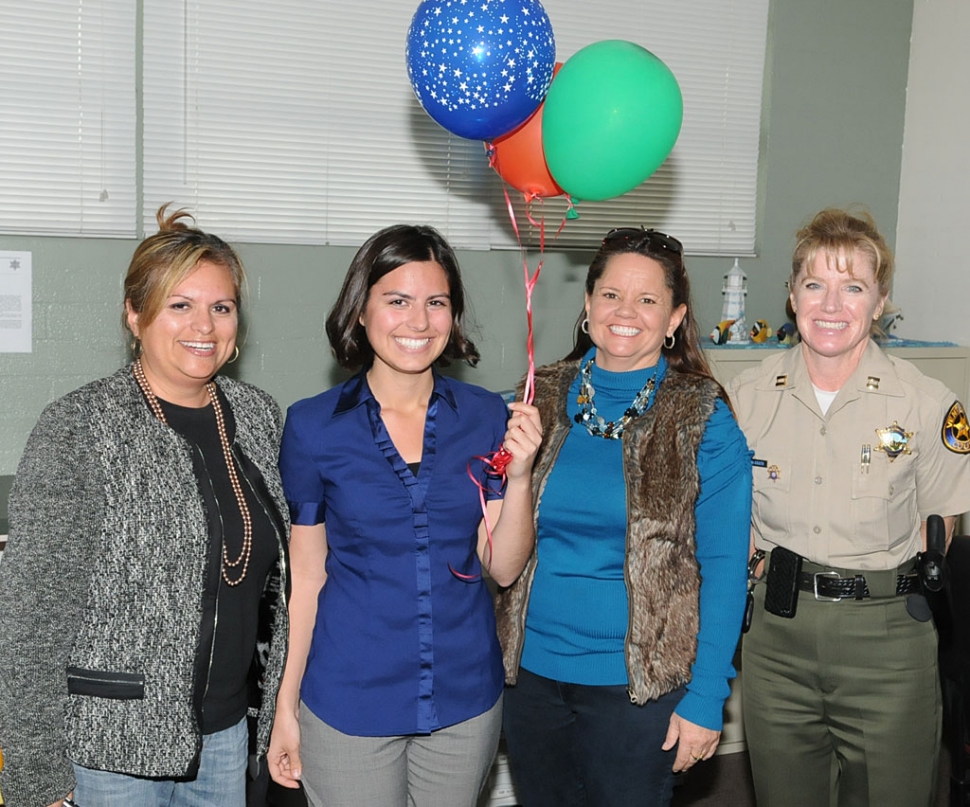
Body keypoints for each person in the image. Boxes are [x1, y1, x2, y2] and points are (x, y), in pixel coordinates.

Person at [0, 206, 290, 807]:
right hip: (110, 749)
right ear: (135, 314)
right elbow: (32, 616)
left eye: (221, 306)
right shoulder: (81, 426)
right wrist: (37, 774)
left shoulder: (260, 417)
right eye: (179, 305)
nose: (203, 326)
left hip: (227, 735)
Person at [266, 224, 542, 807]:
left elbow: (505, 566)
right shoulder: (314, 426)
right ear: (360, 312)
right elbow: (306, 581)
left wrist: (519, 479)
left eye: (435, 302)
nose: (418, 321)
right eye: (397, 301)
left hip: (463, 695)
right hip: (349, 697)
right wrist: (284, 706)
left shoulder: (486, 415)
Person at [495, 227, 752, 807]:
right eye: (610, 294)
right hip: (530, 677)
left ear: (675, 317)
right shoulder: (537, 397)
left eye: (648, 300)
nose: (625, 312)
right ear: (588, 304)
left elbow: (725, 568)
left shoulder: (703, 419)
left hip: (638, 687)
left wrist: (707, 697)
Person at [728, 208, 970, 806]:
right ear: (791, 295)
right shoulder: (744, 399)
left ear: (879, 300)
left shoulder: (928, 405)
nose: (831, 304)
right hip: (776, 635)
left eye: (853, 286)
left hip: (887, 642)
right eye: (815, 284)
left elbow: (944, 524)